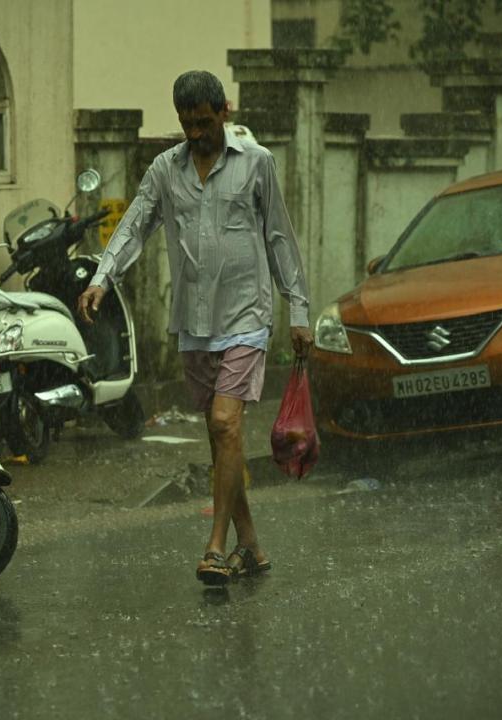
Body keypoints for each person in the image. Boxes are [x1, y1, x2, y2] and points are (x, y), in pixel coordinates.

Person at [77, 70, 313, 586]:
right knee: (219, 436)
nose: (195, 133)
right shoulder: (166, 169)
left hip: (246, 316)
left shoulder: (257, 164)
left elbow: (279, 237)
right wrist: (101, 277)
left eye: (204, 122)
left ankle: (216, 548)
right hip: (194, 322)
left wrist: (298, 309)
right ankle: (251, 545)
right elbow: (136, 223)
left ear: (223, 112)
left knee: (227, 424)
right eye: (187, 124)